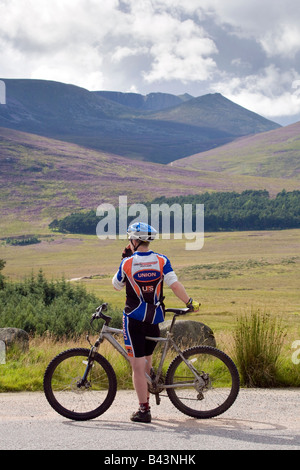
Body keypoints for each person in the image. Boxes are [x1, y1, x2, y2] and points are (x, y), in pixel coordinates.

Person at [112, 222, 200, 423]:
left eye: (129, 239)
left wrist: (125, 259)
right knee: (147, 361)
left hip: (133, 319)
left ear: (134, 240)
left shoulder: (127, 263)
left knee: (137, 366)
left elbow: (116, 285)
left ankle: (144, 410)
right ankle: (148, 395)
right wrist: (189, 302)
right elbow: (175, 285)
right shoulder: (162, 260)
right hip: (154, 319)